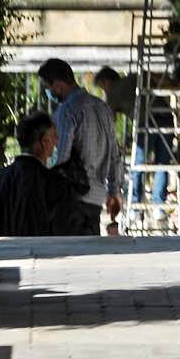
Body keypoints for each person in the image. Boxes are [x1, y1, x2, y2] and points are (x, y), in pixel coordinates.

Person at [38, 58, 124, 235]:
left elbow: (62, 158)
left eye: (47, 88)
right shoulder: (103, 108)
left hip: (72, 200)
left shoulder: (67, 111)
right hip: (96, 199)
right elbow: (115, 156)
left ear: (58, 85)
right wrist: (114, 192)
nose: (48, 93)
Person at [0, 111, 77, 236]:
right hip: (41, 254)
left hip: (1, 254)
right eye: (55, 137)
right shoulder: (56, 185)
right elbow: (63, 233)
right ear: (44, 142)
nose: (56, 142)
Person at [96, 65, 175, 223]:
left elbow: (110, 120)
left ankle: (136, 207)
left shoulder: (112, 94)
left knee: (138, 166)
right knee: (162, 163)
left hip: (145, 124)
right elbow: (164, 82)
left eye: (101, 86)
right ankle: (158, 207)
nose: (103, 90)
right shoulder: (135, 76)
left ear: (106, 81)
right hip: (166, 117)